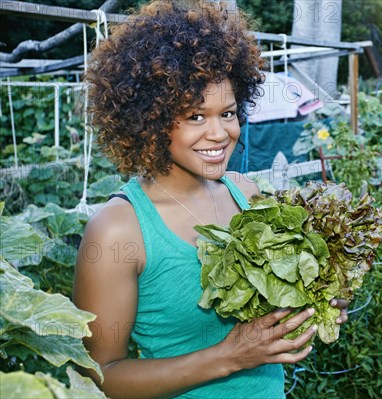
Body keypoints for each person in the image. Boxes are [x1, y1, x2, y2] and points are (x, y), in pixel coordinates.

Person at [73, 2, 348, 398]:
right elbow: (98, 377)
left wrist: (312, 303)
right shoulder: (118, 231)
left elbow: (263, 312)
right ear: (150, 118)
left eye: (229, 113)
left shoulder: (247, 195)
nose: (220, 133)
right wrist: (229, 356)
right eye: (196, 116)